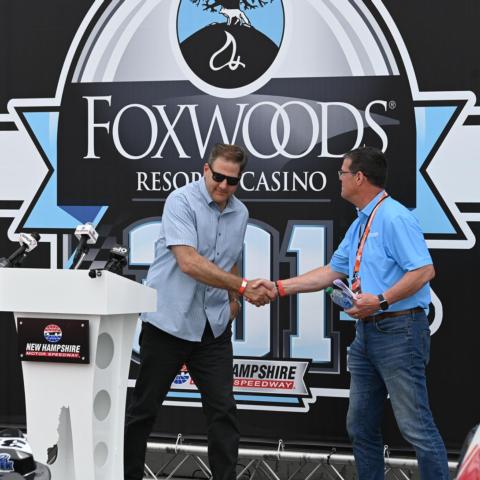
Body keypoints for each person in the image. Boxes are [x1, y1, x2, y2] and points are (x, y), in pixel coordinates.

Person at [254, 146, 449, 479]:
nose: (339, 180)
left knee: (416, 427)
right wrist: (278, 287)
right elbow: (331, 272)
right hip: (367, 336)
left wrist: (381, 300)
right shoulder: (362, 223)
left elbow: (424, 272)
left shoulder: (394, 217)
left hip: (399, 332)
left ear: (359, 177)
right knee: (359, 426)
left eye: (342, 173)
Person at [124, 143, 274, 480]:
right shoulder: (180, 200)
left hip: (213, 329)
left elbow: (230, 255)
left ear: (239, 181)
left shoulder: (242, 213)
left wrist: (233, 302)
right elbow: (189, 263)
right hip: (168, 324)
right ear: (205, 169)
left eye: (231, 181)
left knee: (223, 412)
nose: (223, 185)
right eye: (218, 176)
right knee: (143, 411)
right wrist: (240, 288)